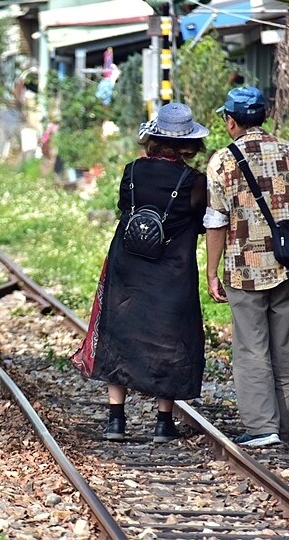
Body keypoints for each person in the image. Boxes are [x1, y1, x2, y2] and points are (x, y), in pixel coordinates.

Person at [70, 103, 209, 443]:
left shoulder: (131, 172)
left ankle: (116, 420)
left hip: (128, 264)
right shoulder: (194, 181)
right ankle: (164, 423)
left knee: (120, 332)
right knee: (170, 338)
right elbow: (200, 221)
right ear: (187, 144)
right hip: (172, 270)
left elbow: (124, 211)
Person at [203, 86, 289, 447]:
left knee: (251, 347)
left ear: (231, 121)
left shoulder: (222, 161)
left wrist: (212, 273)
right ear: (265, 116)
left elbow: (216, 222)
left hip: (244, 269)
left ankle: (262, 427)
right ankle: (287, 425)